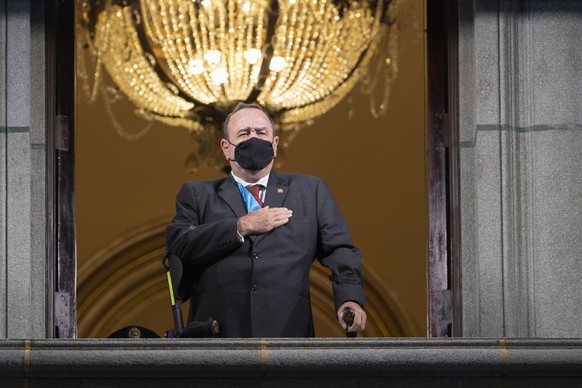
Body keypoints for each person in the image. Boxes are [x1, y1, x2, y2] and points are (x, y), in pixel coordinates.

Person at [165, 103, 366, 337]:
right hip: (217, 335)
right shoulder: (197, 194)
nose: (254, 139)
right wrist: (240, 226)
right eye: (244, 133)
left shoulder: (311, 191)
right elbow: (178, 245)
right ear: (226, 148)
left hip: (287, 333)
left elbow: (340, 250)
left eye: (261, 133)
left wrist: (349, 300)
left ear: (275, 144)